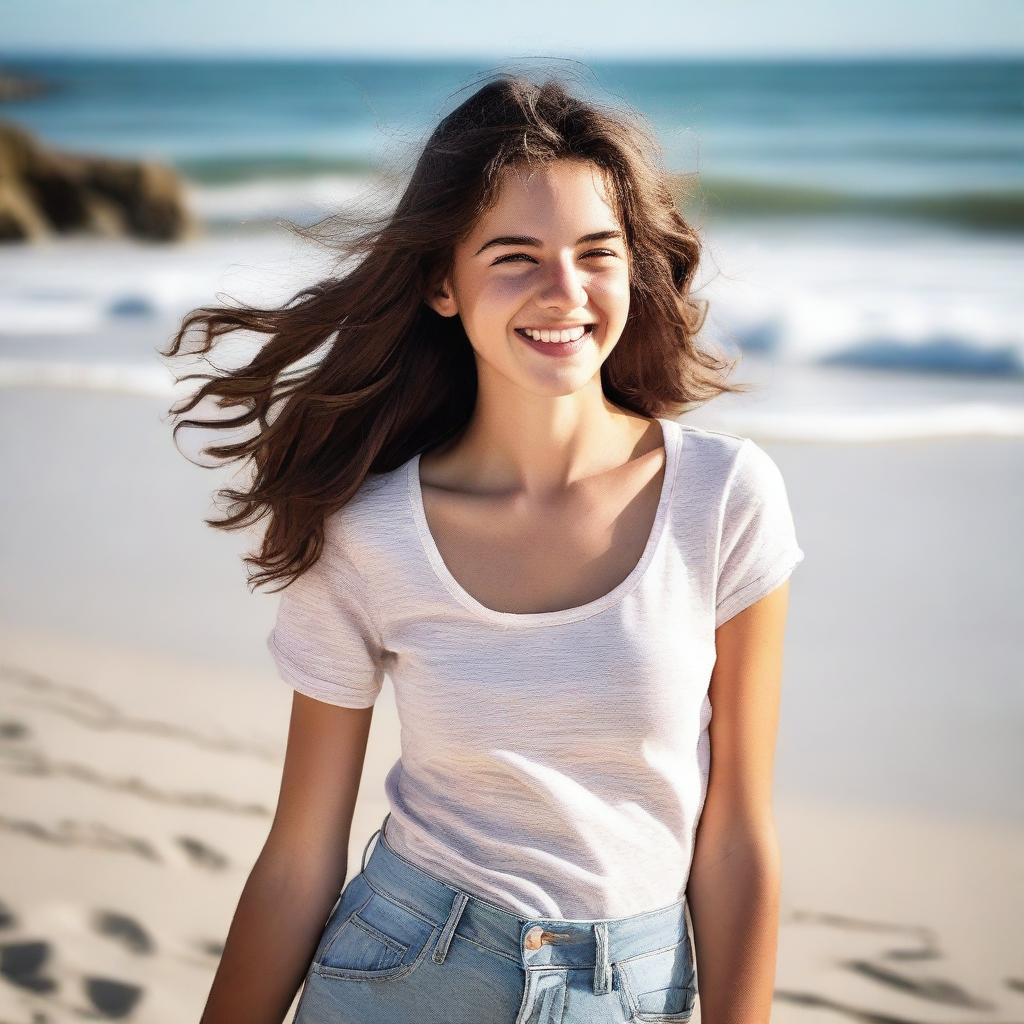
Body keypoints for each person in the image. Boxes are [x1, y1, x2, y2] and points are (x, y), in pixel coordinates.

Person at [166, 71, 805, 1024]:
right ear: (440, 283)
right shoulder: (367, 528)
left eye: (597, 252)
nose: (565, 292)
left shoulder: (721, 498)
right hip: (404, 968)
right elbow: (301, 851)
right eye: (515, 256)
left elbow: (738, 838)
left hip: (633, 992)